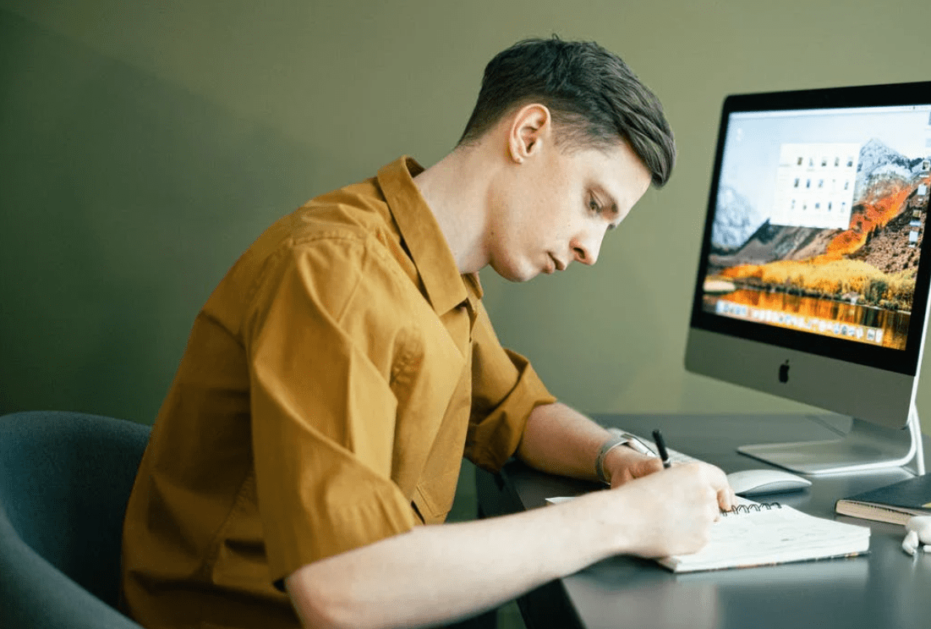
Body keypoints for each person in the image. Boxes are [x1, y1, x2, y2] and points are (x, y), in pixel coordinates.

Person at [120, 36, 735, 629]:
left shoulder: (438, 271)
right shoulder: (339, 271)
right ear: (528, 135)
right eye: (594, 204)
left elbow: (516, 412)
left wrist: (614, 460)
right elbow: (341, 588)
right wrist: (621, 521)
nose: (590, 249)